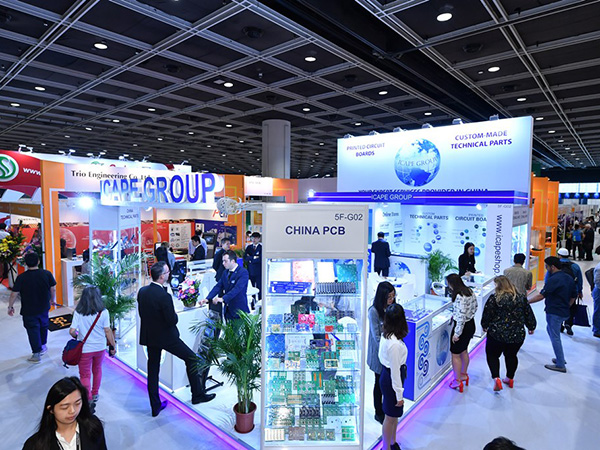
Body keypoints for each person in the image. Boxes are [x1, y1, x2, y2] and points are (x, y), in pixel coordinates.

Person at [138, 262, 215, 417]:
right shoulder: (164, 296)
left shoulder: (142, 291)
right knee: (191, 359)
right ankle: (197, 395)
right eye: (167, 272)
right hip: (167, 337)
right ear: (162, 276)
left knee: (153, 371)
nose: (169, 274)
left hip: (150, 337)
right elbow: (171, 320)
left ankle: (155, 406)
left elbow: (142, 314)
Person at [481, 276, 536, 391]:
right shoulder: (521, 298)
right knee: (511, 356)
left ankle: (496, 378)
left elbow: (487, 314)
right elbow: (528, 313)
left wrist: (484, 325)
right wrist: (531, 326)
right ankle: (509, 378)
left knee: (492, 355)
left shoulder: (495, 299)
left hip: (497, 333)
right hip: (517, 334)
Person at [23, 377, 107, 450]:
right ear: (51, 409)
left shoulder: (93, 427)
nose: (72, 411)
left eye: (77, 403)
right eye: (65, 407)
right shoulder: (35, 445)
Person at [69, 287, 116, 410]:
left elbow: (72, 331)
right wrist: (113, 345)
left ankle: (88, 398)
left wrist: (77, 336)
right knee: (97, 369)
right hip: (100, 347)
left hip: (85, 349)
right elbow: (107, 331)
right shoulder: (103, 312)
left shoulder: (79, 312)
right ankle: (95, 393)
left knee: (85, 375)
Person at [529, 256, 577, 373]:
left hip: (554, 311)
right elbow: (574, 295)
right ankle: (560, 358)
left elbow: (541, 296)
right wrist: (567, 306)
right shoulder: (568, 278)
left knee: (555, 337)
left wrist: (527, 301)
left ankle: (560, 364)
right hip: (564, 311)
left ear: (553, 267)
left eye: (547, 266)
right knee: (550, 330)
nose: (546, 269)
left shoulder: (553, 280)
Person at [7, 252, 56, 363]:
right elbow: (53, 288)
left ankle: (36, 353)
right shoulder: (47, 274)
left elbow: (14, 294)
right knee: (44, 325)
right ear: (38, 261)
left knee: (32, 329)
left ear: (25, 263)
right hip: (44, 307)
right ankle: (43, 345)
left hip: (28, 309)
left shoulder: (21, 277)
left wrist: (10, 306)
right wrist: (52, 300)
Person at [377, 303, 408, 450]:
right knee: (390, 417)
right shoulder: (394, 344)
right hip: (392, 380)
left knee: (393, 415)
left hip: (388, 376)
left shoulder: (387, 335)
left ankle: (392, 442)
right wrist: (399, 395)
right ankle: (386, 447)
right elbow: (395, 373)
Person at [367, 281, 396, 424]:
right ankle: (378, 412)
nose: (391, 299)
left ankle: (385, 408)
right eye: (389, 297)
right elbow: (376, 336)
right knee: (378, 382)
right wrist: (386, 352)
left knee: (387, 383)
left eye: (393, 296)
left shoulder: (392, 308)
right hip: (378, 354)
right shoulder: (373, 311)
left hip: (390, 352)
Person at [446, 273, 477, 392]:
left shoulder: (459, 296)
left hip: (462, 328)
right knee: (464, 350)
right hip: (470, 324)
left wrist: (457, 333)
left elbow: (461, 317)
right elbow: (475, 307)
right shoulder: (469, 291)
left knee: (455, 354)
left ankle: (457, 380)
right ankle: (463, 374)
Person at [203, 250, 250, 320]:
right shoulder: (225, 272)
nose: (223, 263)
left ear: (233, 261)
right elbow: (218, 286)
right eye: (223, 261)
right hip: (228, 310)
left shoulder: (243, 272)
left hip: (239, 310)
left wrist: (223, 298)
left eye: (225, 261)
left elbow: (237, 289)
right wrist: (208, 298)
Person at [553, 248, 582, 336]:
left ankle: (560, 324)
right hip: (572, 290)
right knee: (571, 307)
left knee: (559, 307)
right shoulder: (575, 266)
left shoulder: (555, 266)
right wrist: (579, 291)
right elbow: (579, 280)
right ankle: (568, 323)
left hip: (558, 290)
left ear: (559, 255)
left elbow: (548, 278)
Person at [244, 232, 262, 303]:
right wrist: (254, 258)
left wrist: (251, 259)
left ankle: (260, 302)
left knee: (259, 287)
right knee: (251, 288)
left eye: (256, 238)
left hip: (259, 271)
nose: (254, 240)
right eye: (252, 238)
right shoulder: (249, 247)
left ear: (259, 239)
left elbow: (260, 259)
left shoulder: (261, 248)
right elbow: (245, 257)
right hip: (250, 271)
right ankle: (252, 303)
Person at [591, 255, 600, 338]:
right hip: (599, 291)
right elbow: (597, 281)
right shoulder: (599, 268)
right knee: (598, 310)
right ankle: (597, 330)